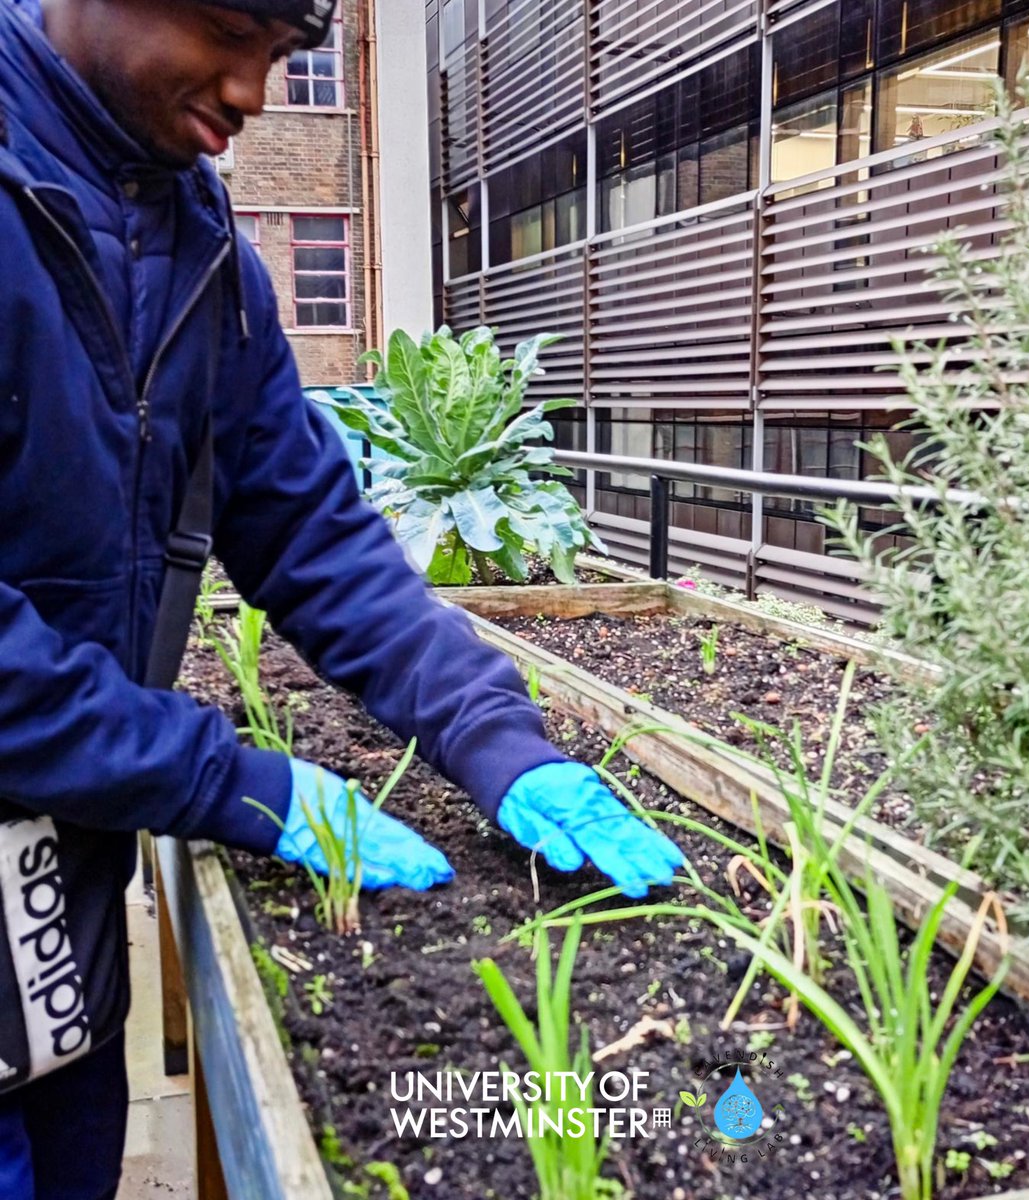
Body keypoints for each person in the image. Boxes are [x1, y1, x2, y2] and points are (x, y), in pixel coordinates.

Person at [0, 1, 684, 1195]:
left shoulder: (201, 251)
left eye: (282, 56)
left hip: (60, 914)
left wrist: (492, 734)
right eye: (233, 33)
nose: (257, 95)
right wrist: (229, 779)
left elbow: (312, 531)